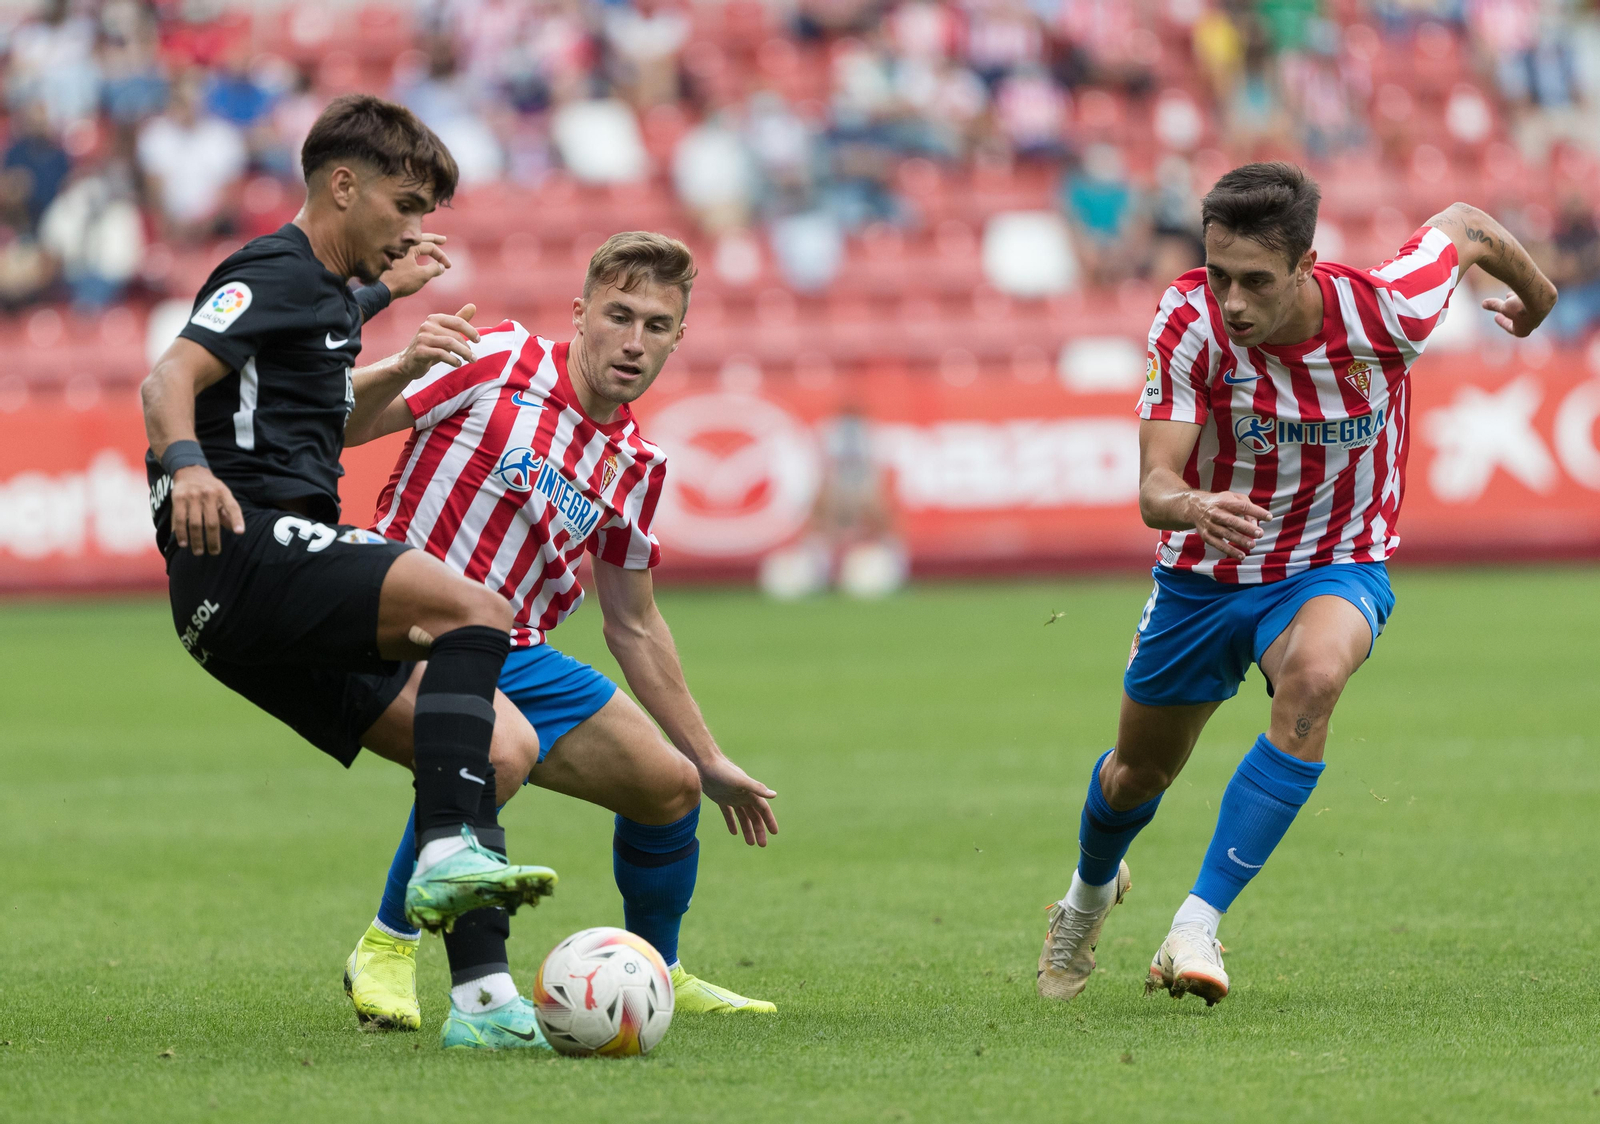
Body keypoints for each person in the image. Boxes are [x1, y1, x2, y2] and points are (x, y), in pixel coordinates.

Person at [1035, 162, 1557, 1006]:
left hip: (1335, 561)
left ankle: (1196, 924)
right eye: (1219, 275)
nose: (1233, 301)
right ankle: (1088, 896)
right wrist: (1196, 504)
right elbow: (1152, 490)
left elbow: (1465, 224)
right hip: (1205, 577)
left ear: (1307, 264)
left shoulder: (1387, 311)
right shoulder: (1189, 322)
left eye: (1255, 282)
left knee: (1315, 677)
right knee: (1137, 775)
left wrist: (1538, 298)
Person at [140, 94, 562, 1047]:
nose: (415, 228)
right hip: (243, 553)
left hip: (256, 605)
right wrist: (187, 466)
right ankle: (448, 852)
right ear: (343, 184)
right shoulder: (273, 270)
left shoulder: (328, 296)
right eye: (404, 205)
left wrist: (401, 344)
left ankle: (485, 1006)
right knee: (474, 607)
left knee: (496, 754)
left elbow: (321, 407)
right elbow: (164, 381)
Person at [339, 231, 782, 1046]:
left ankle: (657, 970)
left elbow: (634, 622)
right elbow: (345, 428)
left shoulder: (637, 462)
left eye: (656, 326)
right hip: (405, 623)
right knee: (488, 755)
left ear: (678, 339)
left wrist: (710, 756)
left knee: (670, 788)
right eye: (619, 315)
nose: (634, 341)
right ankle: (387, 945)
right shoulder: (501, 357)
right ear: (580, 314)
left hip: (519, 652)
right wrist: (400, 367)